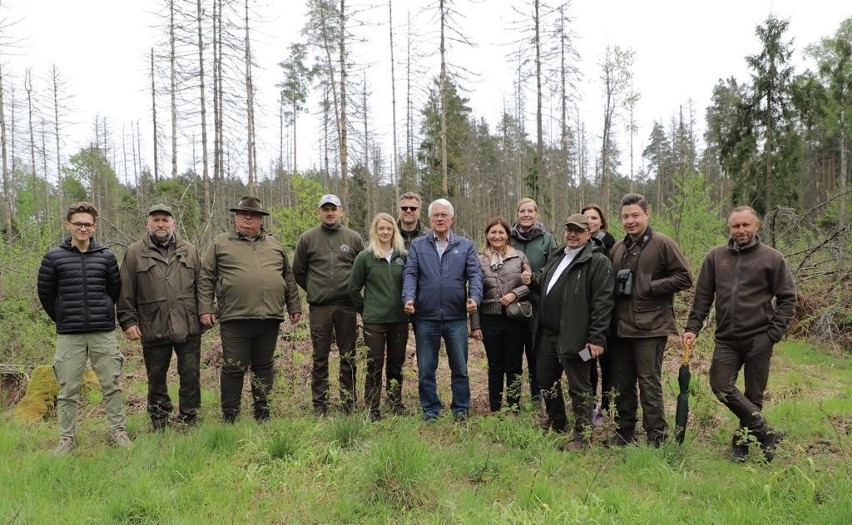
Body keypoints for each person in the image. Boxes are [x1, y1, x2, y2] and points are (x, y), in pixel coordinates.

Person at [683, 206, 795, 462]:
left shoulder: (772, 258)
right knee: (720, 386)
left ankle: (741, 445)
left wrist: (773, 335)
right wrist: (692, 328)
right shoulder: (715, 257)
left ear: (757, 226)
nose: (741, 230)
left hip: (760, 338)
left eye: (746, 225)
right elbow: (702, 297)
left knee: (753, 396)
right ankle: (766, 433)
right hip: (726, 339)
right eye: (736, 226)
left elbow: (787, 299)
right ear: (729, 227)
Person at [37, 202, 131, 456]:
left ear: (94, 227)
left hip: (103, 331)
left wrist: (102, 311)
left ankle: (118, 432)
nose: (82, 228)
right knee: (68, 388)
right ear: (68, 225)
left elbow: (114, 290)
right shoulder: (53, 257)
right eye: (77, 223)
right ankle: (67, 439)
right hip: (69, 334)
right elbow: (45, 294)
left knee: (111, 383)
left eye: (87, 224)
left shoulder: (106, 256)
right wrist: (64, 317)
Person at [198, 196, 301, 423]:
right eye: (243, 214)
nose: (247, 218)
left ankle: (263, 413)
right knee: (234, 367)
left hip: (269, 317)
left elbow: (288, 277)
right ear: (235, 217)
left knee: (264, 367)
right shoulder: (220, 243)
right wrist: (205, 308)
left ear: (260, 220)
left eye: (252, 215)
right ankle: (230, 415)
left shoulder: (274, 245)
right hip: (235, 317)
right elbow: (206, 278)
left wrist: (294, 305)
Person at [608, 193, 692, 447]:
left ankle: (656, 434)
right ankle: (625, 431)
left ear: (647, 214)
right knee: (622, 382)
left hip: (651, 327)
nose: (630, 221)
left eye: (635, 215)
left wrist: (650, 286)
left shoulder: (662, 243)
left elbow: (685, 277)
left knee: (649, 381)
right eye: (625, 217)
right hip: (620, 327)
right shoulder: (618, 247)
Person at [531, 214, 614, 448]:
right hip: (548, 334)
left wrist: (597, 338)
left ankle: (583, 436)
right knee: (546, 380)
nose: (572, 234)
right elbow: (548, 285)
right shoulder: (559, 255)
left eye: (578, 230)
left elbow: (603, 303)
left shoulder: (597, 262)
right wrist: (530, 280)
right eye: (569, 229)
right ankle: (557, 421)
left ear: (589, 234)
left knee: (580, 387)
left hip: (577, 339)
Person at [117, 204, 202, 431]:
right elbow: (126, 289)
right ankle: (159, 419)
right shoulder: (135, 252)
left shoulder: (189, 250)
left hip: (188, 322)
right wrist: (128, 321)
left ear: (173, 223)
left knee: (190, 374)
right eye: (156, 220)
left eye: (165, 220)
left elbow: (202, 285)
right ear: (148, 223)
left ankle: (189, 417)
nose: (161, 224)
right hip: (152, 323)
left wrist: (205, 312)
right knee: (156, 376)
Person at [402, 198, 483, 421]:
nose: (440, 219)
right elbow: (410, 274)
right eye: (436, 215)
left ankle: (461, 410)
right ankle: (430, 410)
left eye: (444, 215)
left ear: (452, 219)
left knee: (460, 367)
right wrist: (408, 298)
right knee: (426, 369)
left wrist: (474, 297)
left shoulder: (464, 245)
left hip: (456, 317)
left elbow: (475, 274)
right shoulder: (418, 245)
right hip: (425, 317)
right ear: (429, 219)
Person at [294, 194, 364, 415]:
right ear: (319, 213)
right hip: (320, 307)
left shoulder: (353, 238)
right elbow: (298, 272)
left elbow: (363, 270)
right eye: (325, 209)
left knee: (348, 356)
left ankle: (347, 403)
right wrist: (316, 290)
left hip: (347, 306)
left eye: (333, 209)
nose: (330, 213)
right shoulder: (308, 239)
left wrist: (354, 295)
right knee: (320, 357)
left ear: (341, 211)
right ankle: (320, 405)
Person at [348, 213, 409, 421]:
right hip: (374, 321)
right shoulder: (365, 257)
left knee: (396, 363)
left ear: (394, 232)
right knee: (374, 363)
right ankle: (372, 408)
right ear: (375, 231)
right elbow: (353, 289)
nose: (385, 232)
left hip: (399, 319)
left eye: (389, 229)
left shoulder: (403, 256)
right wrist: (365, 310)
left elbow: (410, 285)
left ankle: (395, 403)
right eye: (381, 228)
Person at [470, 217, 532, 413]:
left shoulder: (519, 257)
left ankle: (514, 407)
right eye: (493, 232)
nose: (497, 236)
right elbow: (473, 293)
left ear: (508, 235)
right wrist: (476, 325)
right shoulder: (478, 260)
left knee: (514, 365)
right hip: (490, 319)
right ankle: (495, 408)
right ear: (487, 235)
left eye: (501, 232)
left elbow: (531, 284)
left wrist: (515, 294)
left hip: (515, 319)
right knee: (495, 365)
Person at [509, 198, 557, 404]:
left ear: (536, 214)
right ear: (517, 214)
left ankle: (538, 399)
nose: (526, 214)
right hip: (512, 303)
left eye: (530, 211)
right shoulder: (508, 238)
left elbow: (554, 265)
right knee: (512, 355)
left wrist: (535, 278)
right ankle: (513, 399)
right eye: (522, 211)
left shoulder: (546, 239)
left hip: (539, 303)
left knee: (535, 354)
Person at [582, 203, 617, 424]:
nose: (590, 222)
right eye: (586, 218)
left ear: (601, 221)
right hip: (584, 316)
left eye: (594, 218)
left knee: (607, 364)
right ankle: (589, 405)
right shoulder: (577, 243)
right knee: (586, 361)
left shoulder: (610, 243)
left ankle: (605, 407)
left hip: (607, 315)